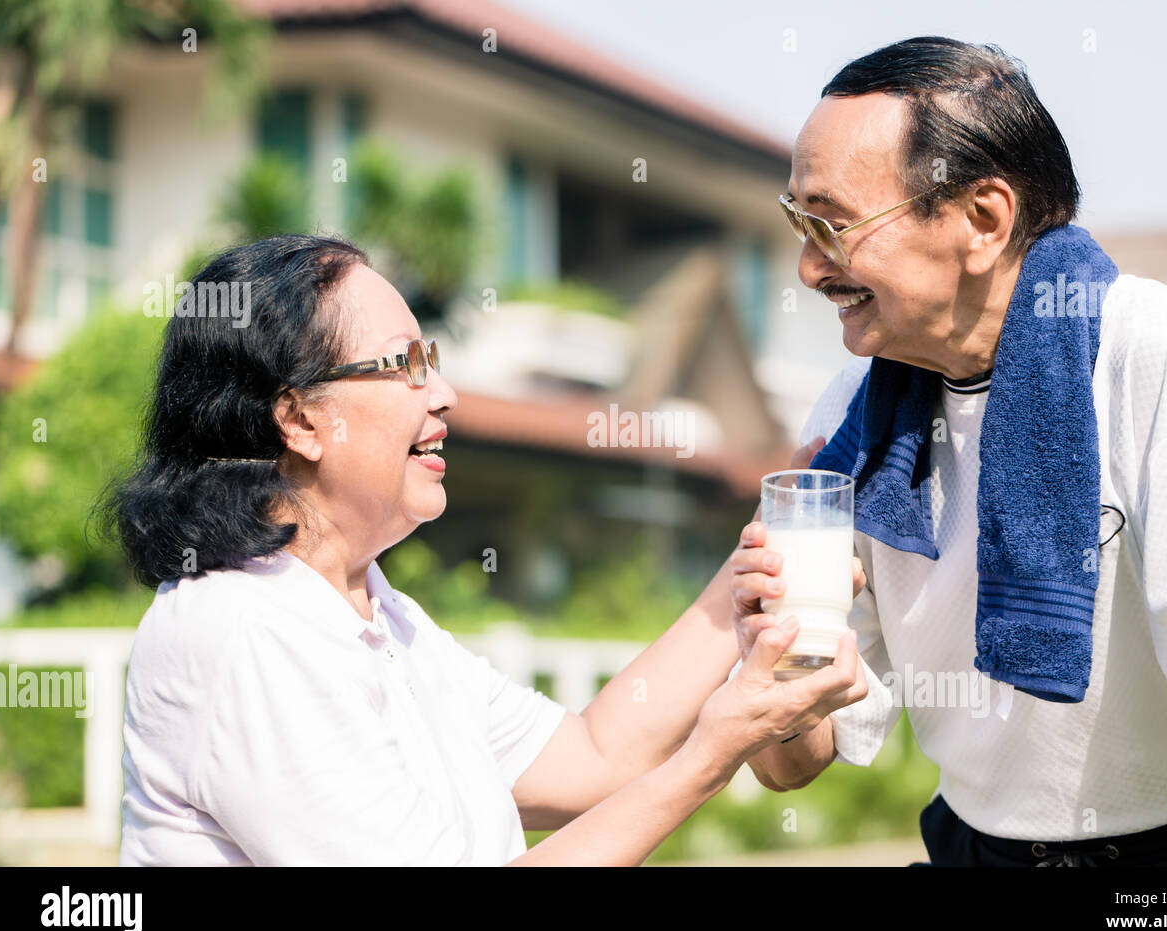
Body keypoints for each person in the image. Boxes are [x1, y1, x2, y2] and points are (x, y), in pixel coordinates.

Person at [109, 234, 866, 866]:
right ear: (300, 420)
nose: (443, 394)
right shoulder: (242, 630)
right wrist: (712, 754)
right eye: (404, 365)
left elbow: (592, 755)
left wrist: (744, 577)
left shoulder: (377, 615)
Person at [729, 36, 1167, 866]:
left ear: (983, 220)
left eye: (832, 224)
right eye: (798, 224)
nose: (811, 268)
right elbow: (791, 765)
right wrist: (770, 650)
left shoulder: (1157, 355)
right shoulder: (857, 410)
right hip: (964, 846)